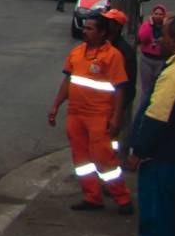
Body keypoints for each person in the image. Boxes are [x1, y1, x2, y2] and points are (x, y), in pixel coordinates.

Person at [117, 14, 175, 236]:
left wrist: (138, 151)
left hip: (165, 162)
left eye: (164, 36)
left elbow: (157, 118)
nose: (158, 40)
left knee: (157, 224)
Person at [48, 12, 133, 214]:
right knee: (81, 159)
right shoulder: (77, 52)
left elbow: (120, 89)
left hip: (99, 114)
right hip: (76, 113)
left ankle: (123, 198)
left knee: (104, 158)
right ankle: (92, 197)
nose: (84, 31)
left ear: (102, 32)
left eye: (89, 28)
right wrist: (56, 105)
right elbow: (68, 81)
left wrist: (116, 117)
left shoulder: (113, 56)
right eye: (85, 27)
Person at [102, 8, 137, 156]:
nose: (104, 23)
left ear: (117, 26)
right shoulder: (102, 44)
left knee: (110, 145)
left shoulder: (124, 52)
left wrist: (118, 112)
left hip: (112, 109)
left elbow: (128, 86)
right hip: (99, 107)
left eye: (108, 21)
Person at [137, 3, 168, 103]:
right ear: (152, 14)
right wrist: (150, 25)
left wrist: (164, 26)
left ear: (164, 16)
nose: (158, 16)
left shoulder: (167, 27)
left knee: (158, 87)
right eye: (156, 13)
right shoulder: (146, 25)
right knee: (146, 88)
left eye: (160, 14)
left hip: (161, 60)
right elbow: (143, 38)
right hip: (147, 59)